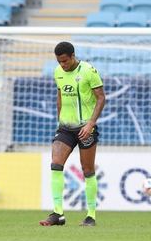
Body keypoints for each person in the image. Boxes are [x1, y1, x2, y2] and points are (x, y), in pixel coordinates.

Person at [40, 42, 106, 227]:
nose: (62, 65)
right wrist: (58, 121)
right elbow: (60, 96)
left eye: (64, 61)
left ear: (72, 56)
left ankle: (91, 216)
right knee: (55, 165)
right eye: (59, 61)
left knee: (87, 170)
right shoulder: (57, 73)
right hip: (65, 128)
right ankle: (58, 214)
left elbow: (101, 98)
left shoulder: (88, 71)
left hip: (86, 128)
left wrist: (91, 123)